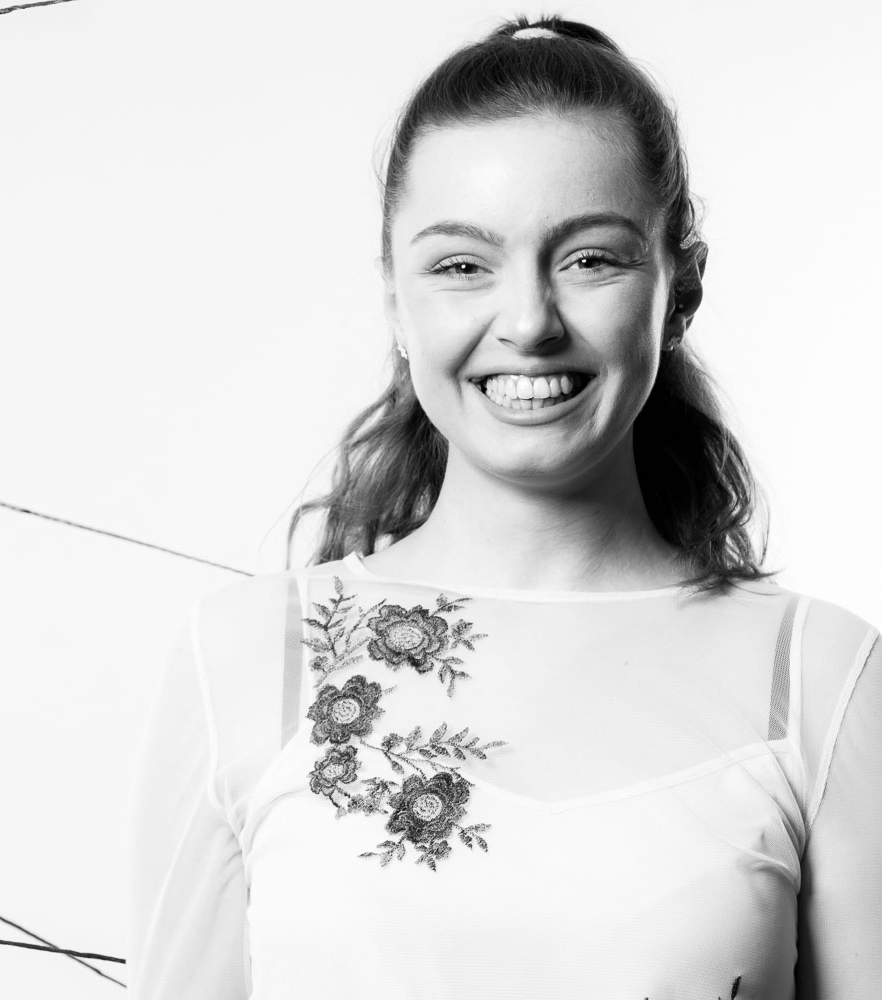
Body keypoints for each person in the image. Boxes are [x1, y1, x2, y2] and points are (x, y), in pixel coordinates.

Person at [127, 15, 880, 999]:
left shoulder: (824, 678)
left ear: (681, 284)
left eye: (591, 259)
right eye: (462, 265)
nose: (527, 322)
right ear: (395, 299)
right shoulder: (240, 659)